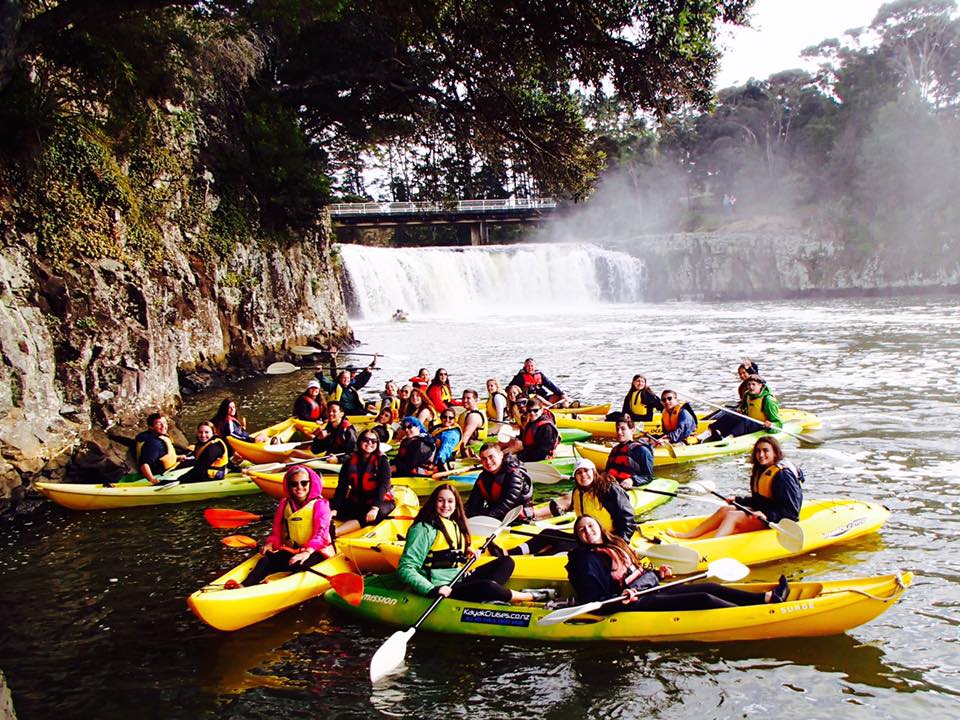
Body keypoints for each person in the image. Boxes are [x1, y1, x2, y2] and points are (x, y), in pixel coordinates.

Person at [566, 515, 789, 611]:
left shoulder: (614, 545)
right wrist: (619, 600)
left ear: (599, 528)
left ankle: (765, 598)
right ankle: (749, 616)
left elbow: (638, 569)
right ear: (578, 536)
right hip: (632, 604)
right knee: (703, 598)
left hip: (648, 589)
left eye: (591, 527)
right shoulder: (586, 560)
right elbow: (594, 600)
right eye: (582, 530)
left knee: (710, 586)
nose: (588, 531)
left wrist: (658, 574)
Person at [397, 484, 544, 603]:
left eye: (450, 501)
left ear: (456, 504)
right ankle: (531, 596)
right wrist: (431, 589)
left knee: (506, 562)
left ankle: (488, 596)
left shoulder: (453, 524)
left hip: (458, 578)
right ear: (434, 502)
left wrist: (467, 552)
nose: (445, 505)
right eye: (440, 500)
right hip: (440, 587)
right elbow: (406, 568)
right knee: (487, 586)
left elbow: (449, 553)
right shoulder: (423, 529)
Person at [667, 436, 803, 540]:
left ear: (775, 453)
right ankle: (688, 535)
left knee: (733, 516)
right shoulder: (762, 470)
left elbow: (792, 512)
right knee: (725, 509)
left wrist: (767, 515)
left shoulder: (783, 475)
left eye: (765, 451)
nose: (761, 455)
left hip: (777, 520)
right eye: (758, 451)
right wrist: (739, 500)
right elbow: (760, 500)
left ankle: (713, 546)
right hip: (764, 513)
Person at [509, 457, 636, 556]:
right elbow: (563, 505)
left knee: (562, 548)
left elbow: (628, 520)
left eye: (586, 471)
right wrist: (533, 514)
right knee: (547, 534)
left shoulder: (610, 490)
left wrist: (621, 544)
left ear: (594, 471)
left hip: (607, 539)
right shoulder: (578, 492)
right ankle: (511, 553)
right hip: (586, 537)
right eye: (579, 473)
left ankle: (535, 559)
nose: (583, 475)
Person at [238, 466, 335, 587]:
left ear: (311, 483)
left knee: (298, 564)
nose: (299, 487)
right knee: (266, 560)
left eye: (304, 483)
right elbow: (276, 531)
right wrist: (270, 544)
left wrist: (307, 552)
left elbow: (321, 534)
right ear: (288, 486)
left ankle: (277, 587)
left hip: (317, 551)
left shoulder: (321, 504)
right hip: (294, 550)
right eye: (294, 484)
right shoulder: (284, 503)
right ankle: (243, 586)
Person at [332, 429, 396, 536]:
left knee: (377, 514)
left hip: (378, 501)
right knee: (331, 507)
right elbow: (342, 487)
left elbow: (384, 485)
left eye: (373, 441)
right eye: (366, 440)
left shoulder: (382, 461)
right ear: (360, 441)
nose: (369, 443)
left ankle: (336, 532)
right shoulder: (349, 461)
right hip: (358, 500)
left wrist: (374, 508)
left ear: (377, 443)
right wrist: (335, 508)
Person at [697, 374, 781, 443]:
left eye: (753, 384)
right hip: (748, 422)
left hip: (759, 425)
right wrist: (739, 411)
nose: (750, 387)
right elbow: (743, 408)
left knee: (745, 421)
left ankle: (729, 438)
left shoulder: (768, 400)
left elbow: (778, 423)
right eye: (749, 384)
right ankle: (710, 431)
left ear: (760, 385)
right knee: (731, 414)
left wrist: (771, 425)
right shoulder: (747, 394)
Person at [464, 443, 533, 521]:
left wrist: (482, 515)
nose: (488, 462)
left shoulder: (514, 474)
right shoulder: (483, 477)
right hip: (496, 515)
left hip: (517, 517)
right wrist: (467, 515)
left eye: (491, 457)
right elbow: (473, 502)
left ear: (501, 455)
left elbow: (507, 504)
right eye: (484, 459)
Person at [316, 351, 378, 416]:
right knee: (364, 413)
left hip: (353, 409)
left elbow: (362, 378)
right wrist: (319, 373)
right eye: (344, 378)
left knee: (370, 412)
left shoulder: (352, 386)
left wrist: (370, 369)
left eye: (348, 378)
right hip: (343, 412)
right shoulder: (335, 385)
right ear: (340, 378)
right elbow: (327, 381)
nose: (346, 380)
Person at [134, 412, 186, 484]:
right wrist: (152, 480)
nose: (163, 426)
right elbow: (144, 464)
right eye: (158, 423)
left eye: (164, 422)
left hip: (171, 467)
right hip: (162, 474)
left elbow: (161, 456)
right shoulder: (154, 443)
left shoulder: (160, 437)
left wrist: (177, 457)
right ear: (151, 427)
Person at [503, 397, 559, 462]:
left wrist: (518, 457)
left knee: (506, 459)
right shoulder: (531, 422)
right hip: (528, 452)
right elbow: (524, 439)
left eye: (535, 410)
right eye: (529, 411)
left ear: (541, 409)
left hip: (541, 458)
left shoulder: (546, 428)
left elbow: (541, 453)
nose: (532, 413)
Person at [605, 418, 655, 489]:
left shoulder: (642, 450)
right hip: (612, 485)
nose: (619, 432)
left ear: (632, 430)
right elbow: (607, 470)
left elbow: (648, 476)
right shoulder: (615, 449)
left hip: (628, 487)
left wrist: (632, 480)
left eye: (623, 429)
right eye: (617, 429)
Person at [457, 389, 488, 457]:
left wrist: (455, 452)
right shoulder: (469, 413)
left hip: (474, 448)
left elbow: (466, 436)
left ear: (475, 400)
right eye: (463, 398)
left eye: (468, 398)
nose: (465, 400)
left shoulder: (473, 417)